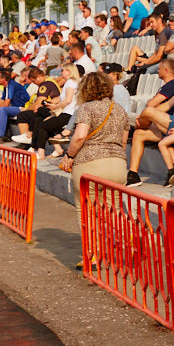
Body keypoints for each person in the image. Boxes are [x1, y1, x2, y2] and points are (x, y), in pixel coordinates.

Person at [57, 72, 130, 268]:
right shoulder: (120, 110)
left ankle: (93, 255)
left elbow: (80, 136)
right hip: (117, 164)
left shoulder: (86, 108)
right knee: (112, 211)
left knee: (87, 212)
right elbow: (123, 142)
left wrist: (69, 156)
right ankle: (117, 251)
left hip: (89, 165)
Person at [0, 68, 30, 140]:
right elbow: (2, 101)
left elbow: (6, 103)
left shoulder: (11, 85)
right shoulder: (6, 87)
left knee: (3, 109)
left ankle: (0, 135)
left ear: (4, 79)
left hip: (22, 107)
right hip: (15, 107)